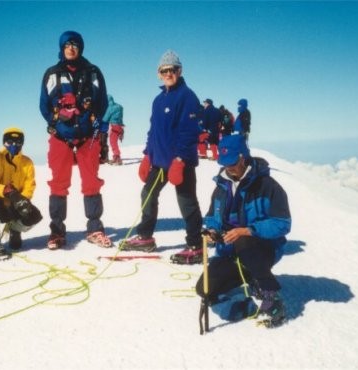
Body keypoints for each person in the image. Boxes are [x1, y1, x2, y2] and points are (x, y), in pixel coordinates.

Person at [195, 134, 291, 327]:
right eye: (225, 162)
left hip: (262, 248)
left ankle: (272, 298)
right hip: (229, 252)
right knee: (204, 289)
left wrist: (247, 230)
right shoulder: (222, 187)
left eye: (232, 161)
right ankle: (248, 305)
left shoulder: (267, 186)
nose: (229, 167)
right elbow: (213, 217)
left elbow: (282, 223)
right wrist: (212, 232)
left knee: (243, 240)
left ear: (243, 157)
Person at [119, 50, 204, 264]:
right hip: (159, 162)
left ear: (179, 71)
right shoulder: (158, 100)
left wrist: (180, 160)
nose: (168, 73)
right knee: (147, 195)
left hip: (179, 162)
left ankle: (196, 245)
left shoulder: (187, 97)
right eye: (164, 70)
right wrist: (148, 155)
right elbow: (153, 131)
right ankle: (145, 238)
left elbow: (189, 132)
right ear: (158, 74)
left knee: (187, 202)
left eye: (172, 70)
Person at [39, 30, 112, 250]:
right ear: (61, 48)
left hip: (87, 137)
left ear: (80, 48)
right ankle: (57, 232)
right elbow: (43, 104)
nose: (71, 48)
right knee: (59, 184)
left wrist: (96, 124)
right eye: (67, 45)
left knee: (91, 183)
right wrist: (56, 118)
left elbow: (102, 103)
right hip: (61, 137)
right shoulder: (52, 73)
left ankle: (95, 228)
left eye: (75, 45)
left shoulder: (93, 72)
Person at [0, 127, 43, 260]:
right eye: (9, 142)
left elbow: (29, 184)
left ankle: (15, 229)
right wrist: (5, 191)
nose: (14, 146)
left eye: (18, 143)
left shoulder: (27, 162)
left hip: (16, 205)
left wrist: (23, 200)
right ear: (4, 142)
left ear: (22, 143)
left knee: (34, 215)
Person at [102, 94, 125, 165]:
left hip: (114, 126)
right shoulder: (119, 107)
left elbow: (105, 119)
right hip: (120, 126)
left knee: (113, 142)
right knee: (114, 142)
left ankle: (117, 158)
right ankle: (116, 157)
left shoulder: (110, 107)